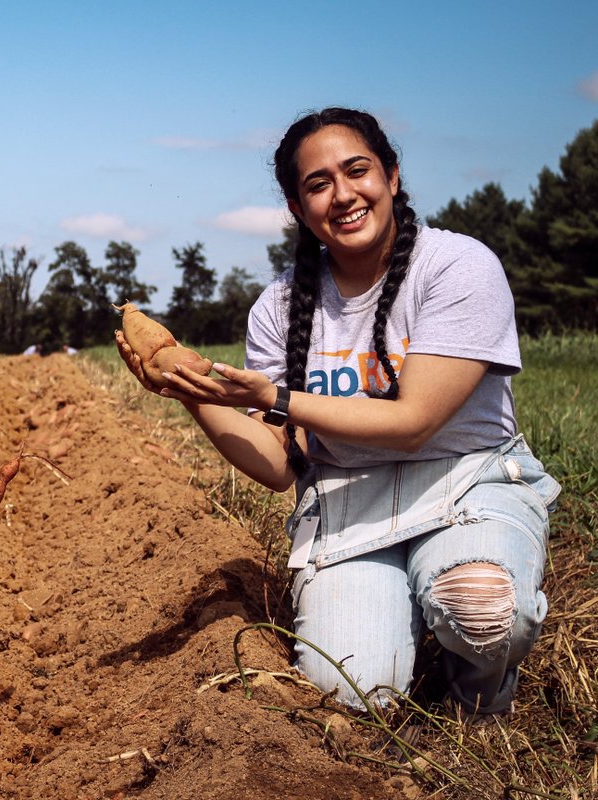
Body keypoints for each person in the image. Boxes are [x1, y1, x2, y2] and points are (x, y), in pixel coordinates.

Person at [116, 108, 559, 718]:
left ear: (393, 177)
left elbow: (415, 422)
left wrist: (274, 397)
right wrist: (191, 392)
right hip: (349, 507)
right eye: (318, 184)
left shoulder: (457, 266)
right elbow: (277, 464)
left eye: (357, 171)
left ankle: (476, 695)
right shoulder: (278, 308)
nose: (343, 194)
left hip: (467, 485)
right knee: (350, 690)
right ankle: (404, 633)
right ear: (298, 208)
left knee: (478, 607)